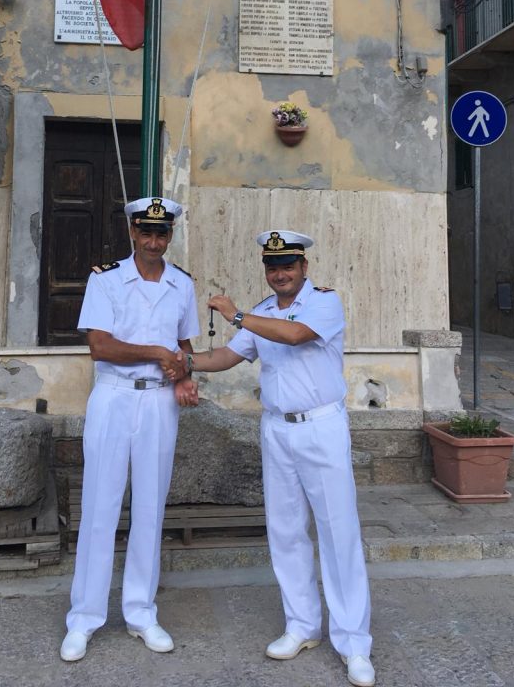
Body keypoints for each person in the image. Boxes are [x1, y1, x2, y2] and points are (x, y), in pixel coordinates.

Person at [188, 230, 375, 687]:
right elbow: (227, 357)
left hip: (322, 427)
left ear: (304, 267)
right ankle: (302, 625)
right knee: (286, 531)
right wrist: (180, 361)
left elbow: (295, 336)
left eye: (288, 264)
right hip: (277, 428)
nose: (281, 273)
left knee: (337, 533)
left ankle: (353, 642)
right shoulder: (263, 312)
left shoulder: (323, 303)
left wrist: (235, 313)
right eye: (273, 267)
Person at [60, 196, 198, 663]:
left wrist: (185, 377)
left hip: (160, 402)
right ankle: (84, 617)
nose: (154, 241)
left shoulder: (182, 284)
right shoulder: (106, 279)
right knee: (100, 506)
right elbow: (100, 346)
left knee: (150, 508)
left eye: (162, 234)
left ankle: (141, 611)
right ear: (132, 232)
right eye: (146, 232)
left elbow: (183, 343)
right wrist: (159, 355)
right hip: (114, 397)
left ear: (170, 236)